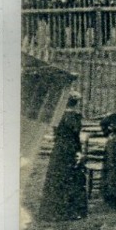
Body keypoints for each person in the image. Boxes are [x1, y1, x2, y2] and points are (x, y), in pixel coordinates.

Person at [39, 94, 87, 222]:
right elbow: (75, 134)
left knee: (57, 176)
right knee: (70, 177)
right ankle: (69, 211)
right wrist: (79, 151)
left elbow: (56, 134)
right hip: (70, 148)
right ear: (75, 103)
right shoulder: (74, 117)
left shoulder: (57, 116)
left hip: (59, 148)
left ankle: (53, 210)